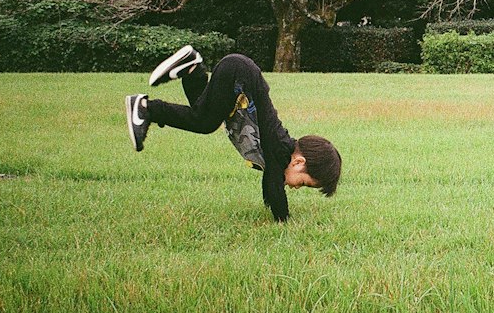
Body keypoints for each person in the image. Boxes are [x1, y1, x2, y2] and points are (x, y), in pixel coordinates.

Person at [124, 46, 340, 222]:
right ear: (298, 162)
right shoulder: (279, 150)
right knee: (204, 122)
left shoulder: (278, 153)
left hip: (239, 71)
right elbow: (275, 188)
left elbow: (269, 181)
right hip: (239, 75)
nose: (295, 187)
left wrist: (268, 204)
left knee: (204, 110)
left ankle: (193, 69)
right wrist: (283, 221)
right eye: (302, 183)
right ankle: (147, 108)